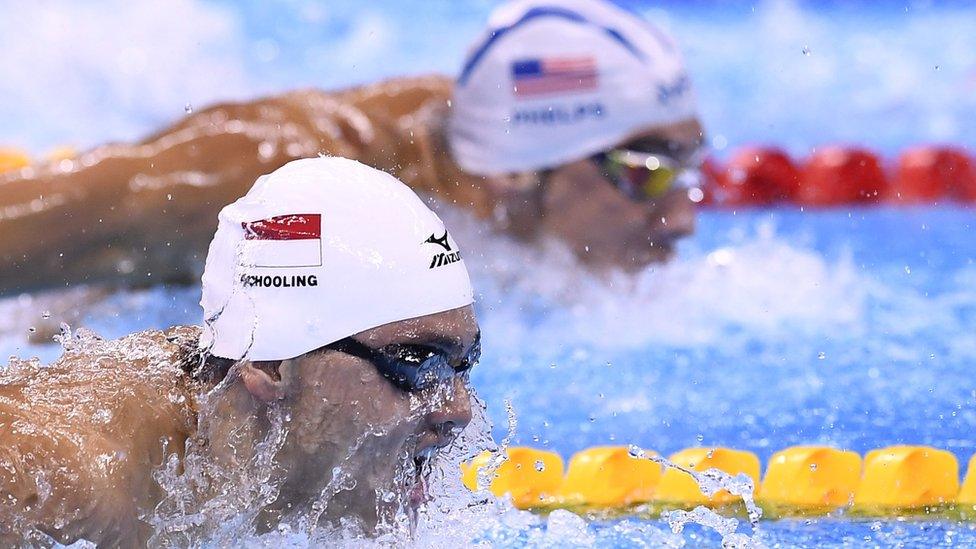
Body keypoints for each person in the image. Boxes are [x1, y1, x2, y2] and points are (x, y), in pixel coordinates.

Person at [0, 0, 703, 295]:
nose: (683, 219)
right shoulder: (260, 179)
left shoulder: (474, 147)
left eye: (686, 168)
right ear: (517, 169)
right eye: (643, 173)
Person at [0, 157, 481, 546]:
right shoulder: (83, 474)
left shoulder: (248, 474)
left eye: (463, 366)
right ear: (269, 364)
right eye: (417, 364)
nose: (457, 411)